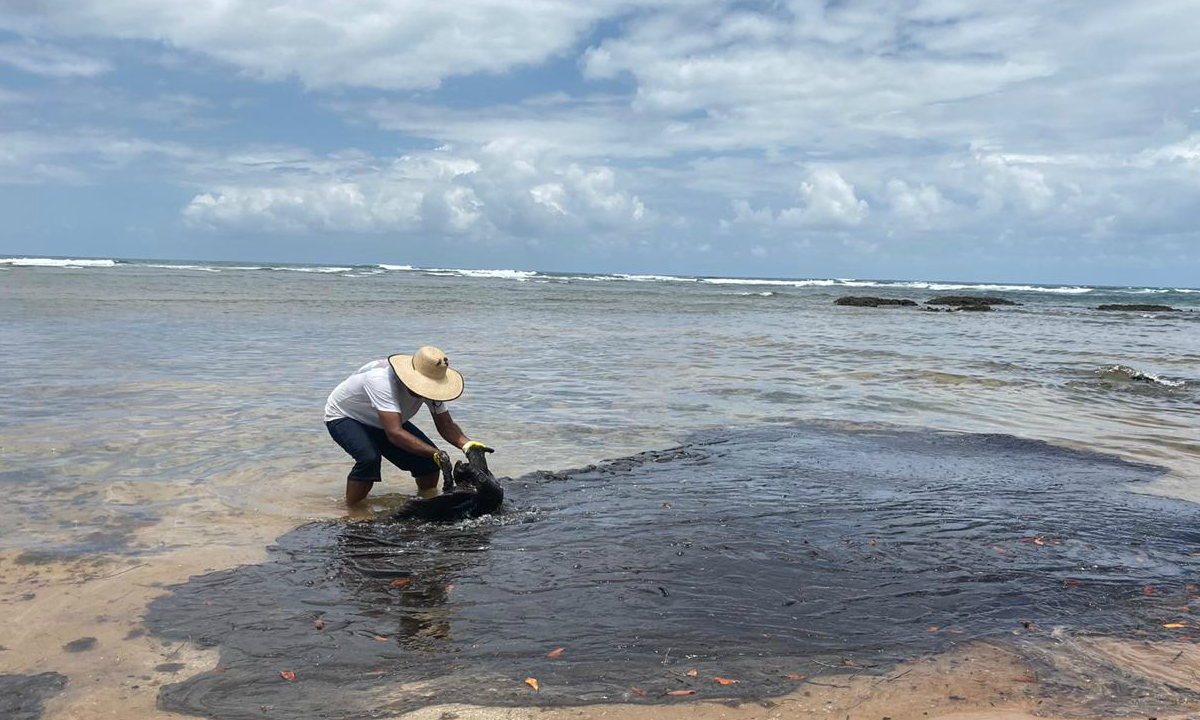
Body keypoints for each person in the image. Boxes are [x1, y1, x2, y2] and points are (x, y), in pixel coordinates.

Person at [324, 346, 492, 505]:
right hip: (346, 416)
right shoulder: (380, 379)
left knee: (429, 465)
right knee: (369, 459)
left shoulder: (433, 384)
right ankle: (351, 511)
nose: (425, 391)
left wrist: (468, 445)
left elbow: (446, 425)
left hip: (385, 420)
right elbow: (395, 433)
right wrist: (436, 453)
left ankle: (424, 502)